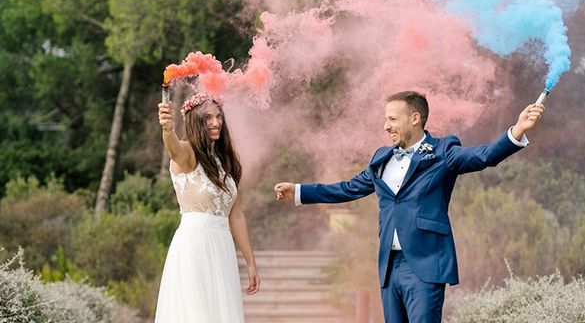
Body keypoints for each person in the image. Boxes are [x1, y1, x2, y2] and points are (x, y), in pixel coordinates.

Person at [274, 90, 544, 322]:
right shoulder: (380, 158)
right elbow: (347, 189)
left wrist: (517, 130)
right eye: (385, 119)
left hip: (425, 264)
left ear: (415, 118)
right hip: (389, 267)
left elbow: (483, 156)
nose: (385, 126)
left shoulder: (443, 151)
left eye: (392, 119)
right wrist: (299, 191)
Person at [155, 92, 259, 323]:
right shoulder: (187, 153)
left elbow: (237, 216)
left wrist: (250, 262)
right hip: (194, 246)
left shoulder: (225, 161)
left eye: (219, 116)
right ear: (195, 121)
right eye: (208, 118)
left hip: (222, 249)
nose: (216, 122)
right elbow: (174, 150)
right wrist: (167, 128)